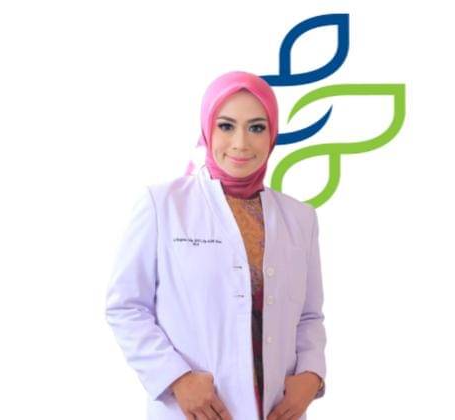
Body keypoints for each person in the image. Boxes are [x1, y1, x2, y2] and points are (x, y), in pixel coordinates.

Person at [105, 71, 327, 420]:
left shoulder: (300, 218)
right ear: (207, 129)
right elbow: (126, 306)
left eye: (256, 127)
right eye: (226, 126)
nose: (241, 143)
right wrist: (175, 378)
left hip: (277, 410)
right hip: (195, 411)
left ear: (272, 134)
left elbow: (309, 316)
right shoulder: (163, 205)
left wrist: (311, 376)